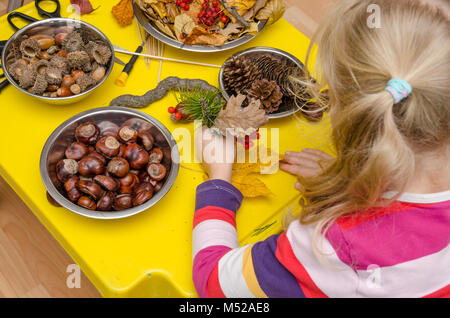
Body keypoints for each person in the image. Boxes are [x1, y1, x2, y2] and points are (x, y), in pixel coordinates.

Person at [192, 0, 450, 297]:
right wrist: (355, 179)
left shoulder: (335, 247)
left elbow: (215, 284)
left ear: (346, 110)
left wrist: (219, 177)